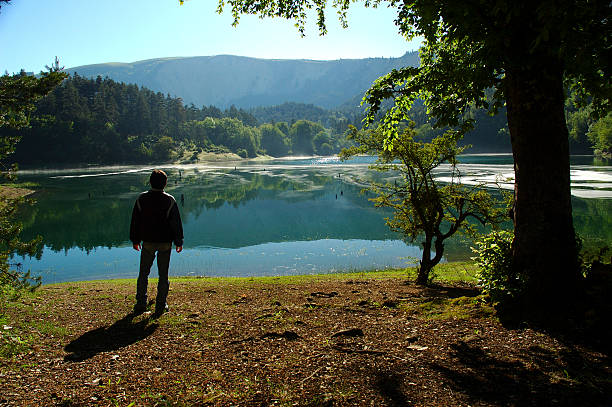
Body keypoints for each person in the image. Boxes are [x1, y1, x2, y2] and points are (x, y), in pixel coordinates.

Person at [129, 169, 184, 316]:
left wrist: (135, 240)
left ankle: (140, 303)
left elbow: (135, 221)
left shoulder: (141, 199)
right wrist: (179, 241)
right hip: (165, 242)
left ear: (150, 182)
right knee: (163, 274)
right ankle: (160, 305)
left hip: (147, 242)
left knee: (143, 273)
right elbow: (176, 223)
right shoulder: (170, 200)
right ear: (165, 183)